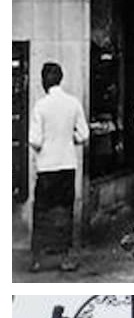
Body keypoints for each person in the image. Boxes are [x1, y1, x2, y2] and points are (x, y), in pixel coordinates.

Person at [28, 61, 89, 273]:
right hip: (67, 164)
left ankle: (38, 258)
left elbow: (35, 140)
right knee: (64, 210)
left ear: (44, 81)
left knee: (42, 211)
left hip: (46, 166)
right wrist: (68, 137)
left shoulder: (40, 106)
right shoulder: (73, 103)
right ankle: (65, 257)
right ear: (60, 79)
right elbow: (84, 134)